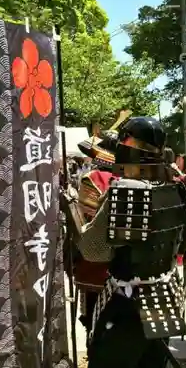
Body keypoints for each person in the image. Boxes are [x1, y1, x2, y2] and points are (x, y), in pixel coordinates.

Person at [77, 117, 186, 368]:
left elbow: (93, 250)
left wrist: (83, 227)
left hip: (129, 302)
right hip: (164, 297)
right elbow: (184, 242)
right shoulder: (177, 186)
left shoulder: (127, 188)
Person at [71, 129, 119, 336]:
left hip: (95, 257)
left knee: (93, 313)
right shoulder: (127, 176)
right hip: (123, 259)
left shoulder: (93, 178)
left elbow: (83, 219)